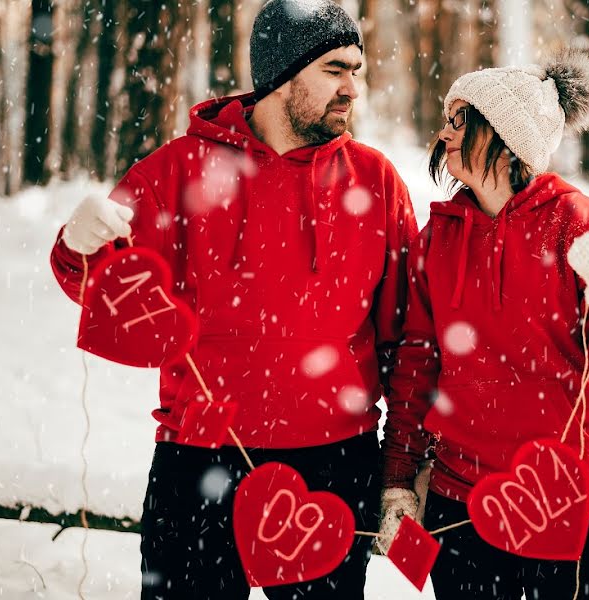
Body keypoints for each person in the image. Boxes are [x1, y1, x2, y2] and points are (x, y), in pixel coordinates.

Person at [50, 1, 418, 598]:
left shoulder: (375, 182)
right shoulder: (179, 170)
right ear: (280, 76)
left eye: (357, 68)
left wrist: (399, 467)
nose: (353, 87)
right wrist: (78, 245)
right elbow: (103, 287)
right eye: (335, 69)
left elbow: (407, 337)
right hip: (198, 462)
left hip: (333, 468)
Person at [379, 50, 589, 600]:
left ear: (504, 135)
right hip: (463, 505)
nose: (445, 132)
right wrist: (398, 479)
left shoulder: (582, 226)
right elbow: (417, 369)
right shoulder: (439, 239)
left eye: (461, 120)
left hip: (570, 501)